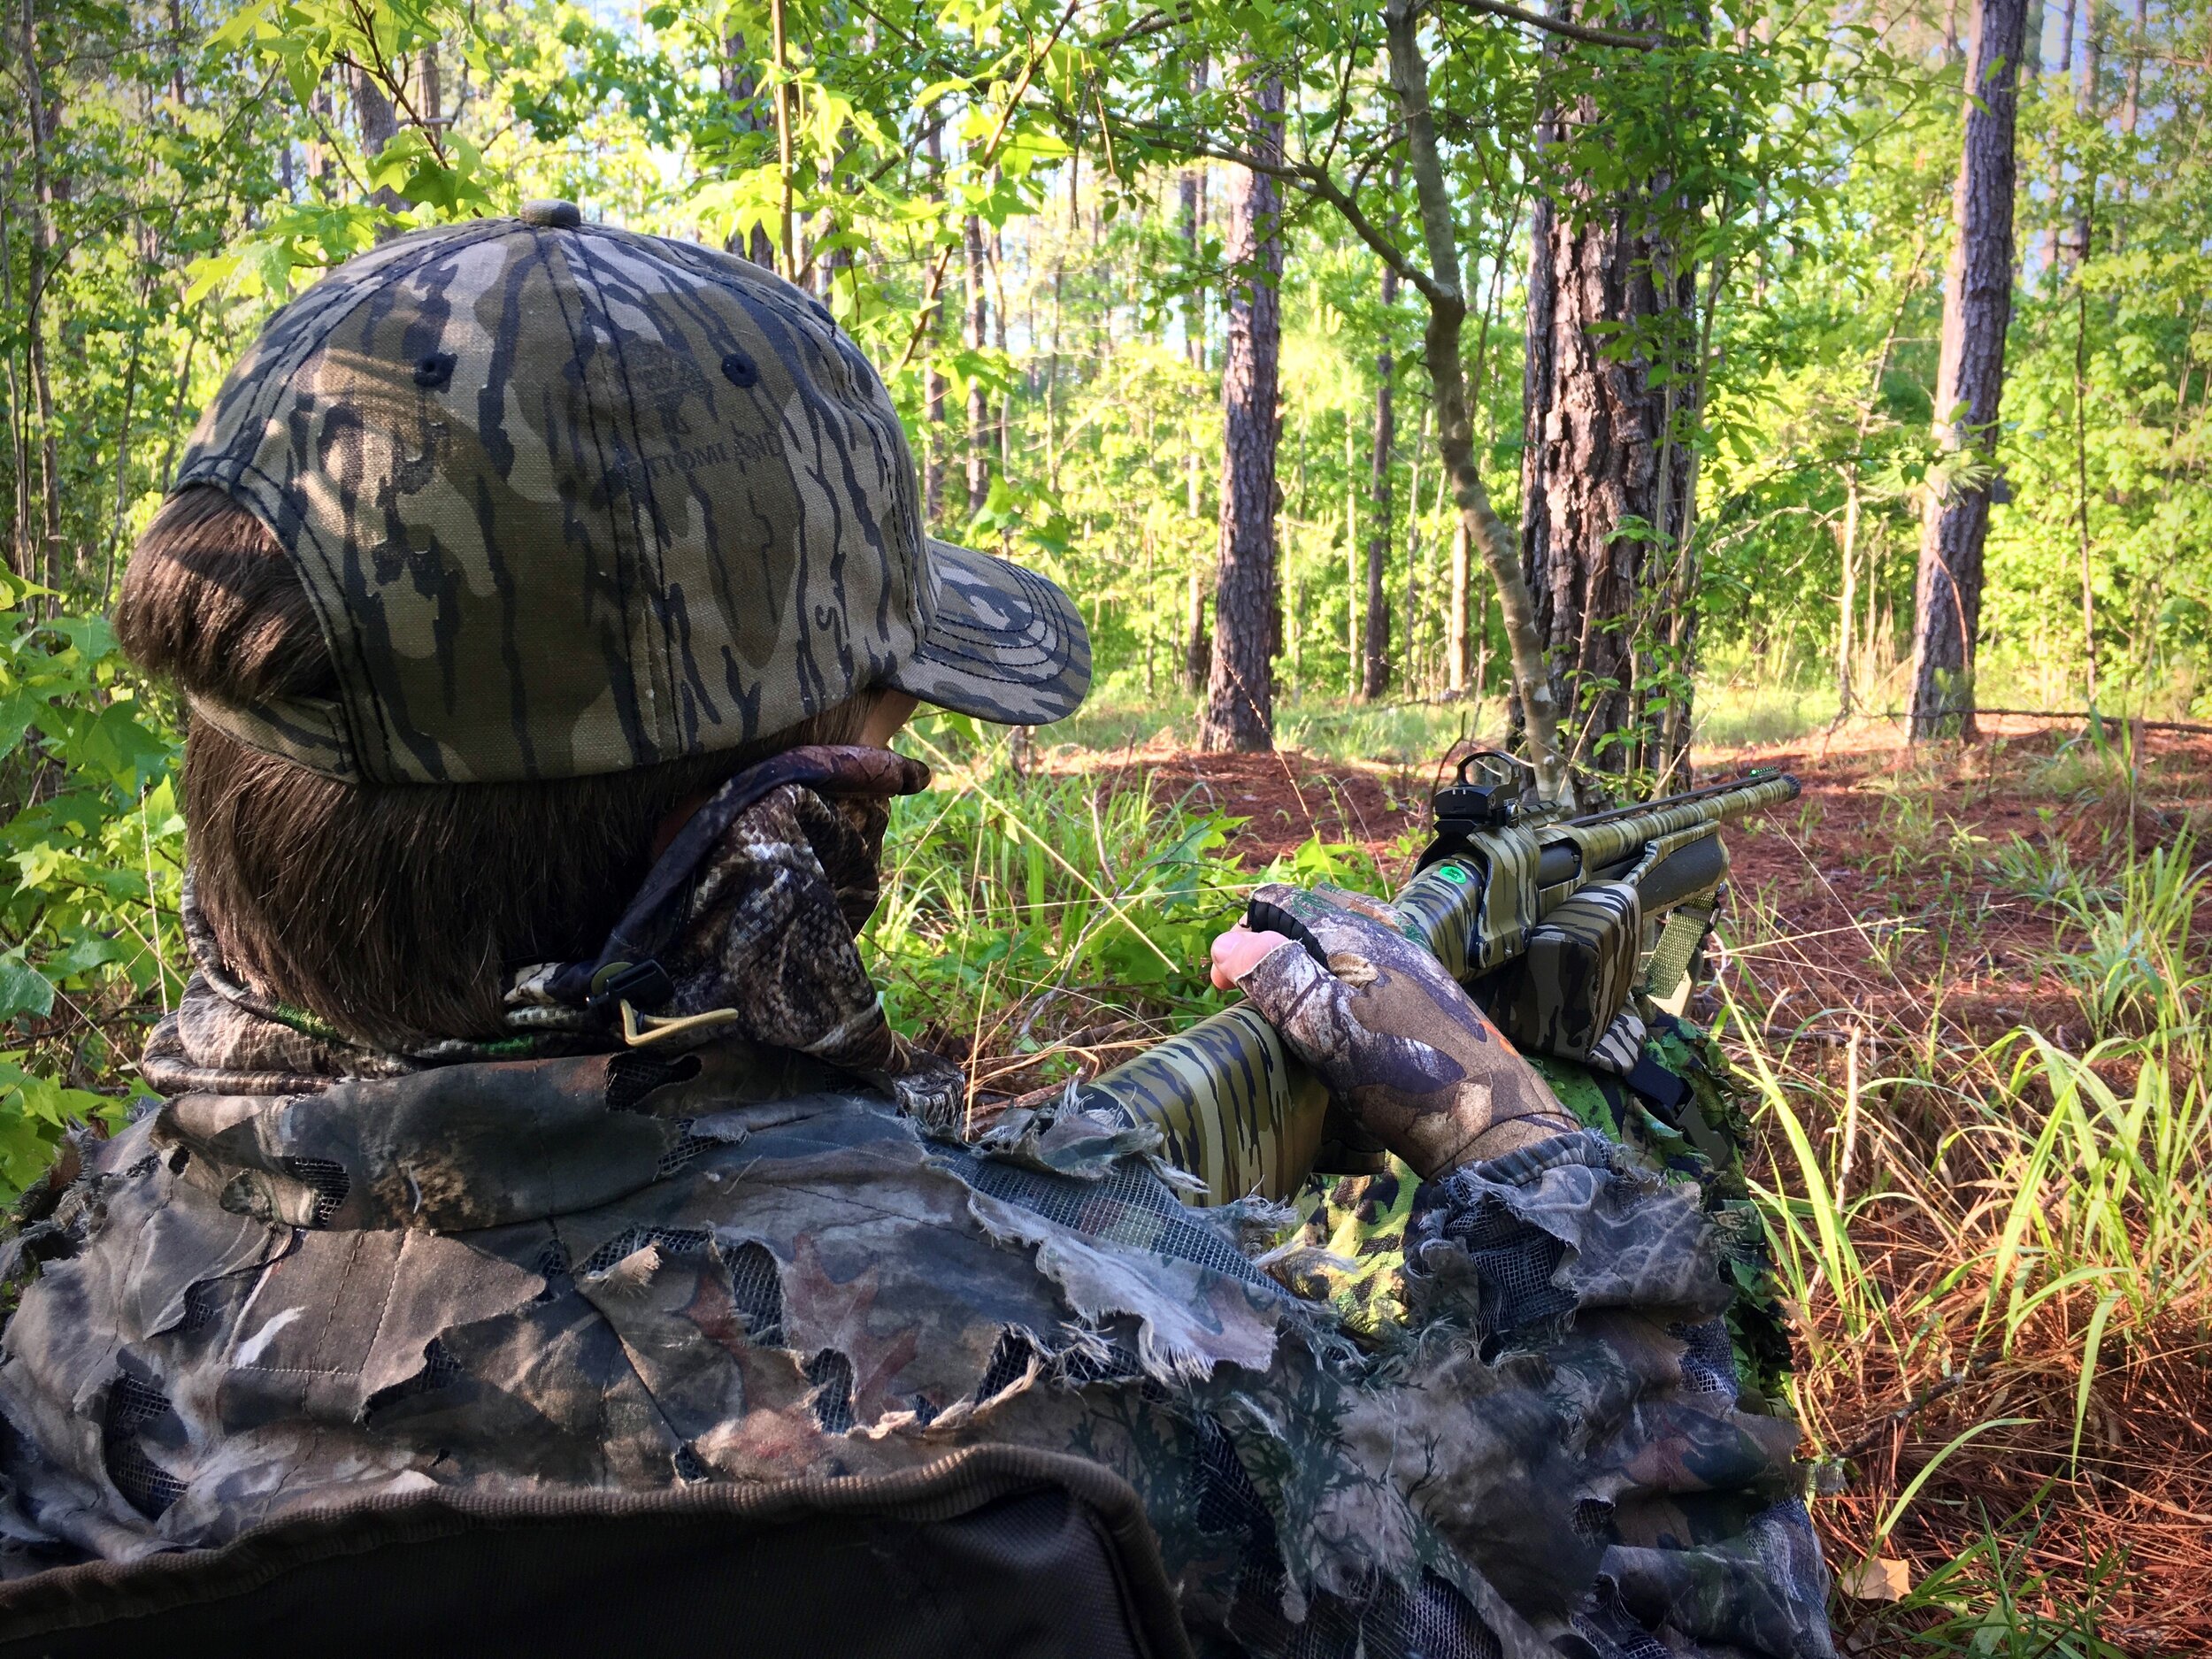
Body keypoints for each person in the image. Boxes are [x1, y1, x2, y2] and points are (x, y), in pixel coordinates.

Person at [0, 203, 1833, 1658]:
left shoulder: (57, 1307)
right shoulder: (1056, 1401)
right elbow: (1682, 1618)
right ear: (776, 828)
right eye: (885, 743)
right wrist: (1512, 1145)